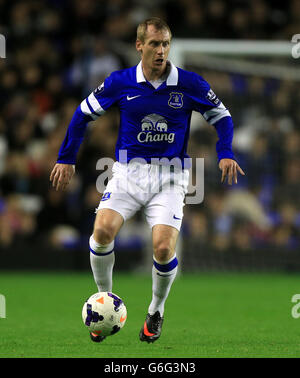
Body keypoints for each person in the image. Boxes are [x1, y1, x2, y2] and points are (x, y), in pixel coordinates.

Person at [50, 17, 245, 343]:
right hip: (128, 173)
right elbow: (82, 114)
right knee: (101, 232)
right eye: (154, 44)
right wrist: (66, 158)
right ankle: (105, 301)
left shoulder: (189, 83)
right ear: (139, 45)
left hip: (171, 176)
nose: (161, 51)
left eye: (165, 44)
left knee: (164, 247)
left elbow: (222, 117)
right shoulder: (120, 82)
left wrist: (225, 151)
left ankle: (156, 310)